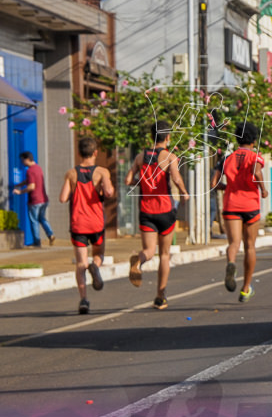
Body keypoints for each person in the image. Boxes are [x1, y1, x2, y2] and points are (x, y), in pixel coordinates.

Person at [126, 121, 190, 309]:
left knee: (149, 251)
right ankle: (160, 296)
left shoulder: (140, 156)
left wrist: (143, 183)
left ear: (152, 136)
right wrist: (184, 192)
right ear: (168, 137)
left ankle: (139, 261)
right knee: (164, 254)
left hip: (146, 210)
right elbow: (176, 177)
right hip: (165, 210)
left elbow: (128, 179)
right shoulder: (170, 156)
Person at [212, 122, 269, 303]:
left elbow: (213, 182)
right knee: (250, 246)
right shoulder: (255, 156)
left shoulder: (226, 159)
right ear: (253, 140)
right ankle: (246, 288)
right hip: (250, 206)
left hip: (231, 204)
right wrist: (263, 189)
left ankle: (231, 262)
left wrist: (225, 187)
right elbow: (257, 172)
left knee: (234, 243)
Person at [58, 137, 114, 314]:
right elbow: (110, 191)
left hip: (78, 224)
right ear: (95, 153)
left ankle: (83, 300)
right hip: (96, 223)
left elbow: (62, 198)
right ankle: (96, 266)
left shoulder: (71, 174)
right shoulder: (102, 172)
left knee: (81, 263)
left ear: (79, 153)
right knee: (99, 254)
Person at [12, 151, 55, 247]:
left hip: (34, 200)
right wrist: (19, 185)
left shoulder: (30, 171)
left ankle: (37, 242)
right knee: (42, 219)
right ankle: (50, 234)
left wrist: (20, 192)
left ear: (27, 159)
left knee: (34, 221)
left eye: (23, 160)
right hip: (43, 200)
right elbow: (29, 180)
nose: (22, 162)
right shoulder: (38, 168)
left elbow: (31, 186)